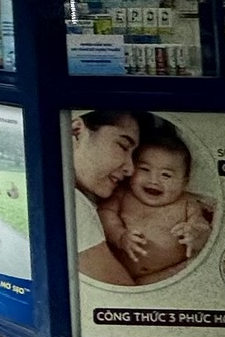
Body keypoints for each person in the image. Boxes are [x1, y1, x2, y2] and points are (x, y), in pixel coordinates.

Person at [83, 119, 217, 286]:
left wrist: (196, 235)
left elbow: (202, 226)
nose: (153, 180)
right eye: (144, 169)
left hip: (167, 275)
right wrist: (120, 236)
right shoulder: (122, 195)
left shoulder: (187, 203)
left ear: (184, 182)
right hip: (122, 274)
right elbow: (104, 215)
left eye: (166, 175)